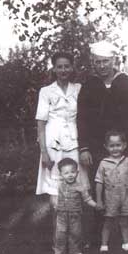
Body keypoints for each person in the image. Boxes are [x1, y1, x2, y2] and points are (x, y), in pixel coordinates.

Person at [77, 40, 128, 248]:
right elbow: (82, 118)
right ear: (92, 62)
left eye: (105, 61)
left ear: (113, 60)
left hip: (123, 145)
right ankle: (98, 238)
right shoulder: (89, 85)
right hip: (98, 147)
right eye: (97, 62)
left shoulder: (126, 82)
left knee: (126, 191)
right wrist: (84, 147)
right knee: (100, 190)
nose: (101, 66)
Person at [35, 52, 89, 207]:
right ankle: (58, 231)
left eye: (67, 66)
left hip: (74, 141)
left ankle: (75, 229)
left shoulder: (79, 89)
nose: (63, 70)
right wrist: (44, 152)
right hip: (53, 143)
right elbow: (40, 124)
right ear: (54, 69)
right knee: (55, 188)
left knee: (77, 184)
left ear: (72, 68)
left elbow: (86, 117)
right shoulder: (46, 91)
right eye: (59, 67)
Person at [95, 130, 128, 252]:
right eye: (111, 146)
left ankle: (126, 243)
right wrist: (98, 200)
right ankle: (104, 244)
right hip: (110, 198)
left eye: (118, 145)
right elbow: (99, 182)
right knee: (108, 221)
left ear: (124, 146)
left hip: (125, 197)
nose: (115, 149)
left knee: (124, 221)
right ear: (106, 147)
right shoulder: (103, 163)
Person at [53, 158, 96, 254]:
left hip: (75, 215)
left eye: (72, 172)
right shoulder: (59, 186)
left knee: (75, 233)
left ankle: (75, 250)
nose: (70, 175)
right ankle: (59, 251)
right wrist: (55, 204)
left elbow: (87, 198)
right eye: (66, 173)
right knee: (60, 233)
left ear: (77, 172)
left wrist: (95, 205)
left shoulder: (80, 187)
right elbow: (55, 197)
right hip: (61, 215)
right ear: (61, 175)